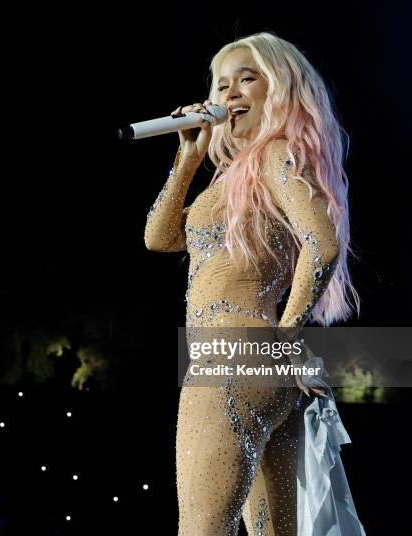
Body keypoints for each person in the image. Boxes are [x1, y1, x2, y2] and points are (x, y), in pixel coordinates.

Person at [143, 32, 364, 535]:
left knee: (200, 528)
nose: (230, 93)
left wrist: (286, 339)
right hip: (262, 370)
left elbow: (322, 246)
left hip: (230, 358)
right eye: (222, 84)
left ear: (280, 88)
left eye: (248, 77)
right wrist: (188, 159)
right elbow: (160, 239)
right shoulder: (241, 174)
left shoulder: (275, 154)